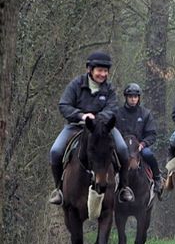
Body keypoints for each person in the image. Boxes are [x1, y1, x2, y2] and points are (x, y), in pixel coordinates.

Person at [49, 51, 134, 205]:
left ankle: (123, 188)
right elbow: (64, 105)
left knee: (122, 149)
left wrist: (99, 119)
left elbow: (113, 108)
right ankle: (59, 189)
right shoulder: (76, 85)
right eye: (99, 70)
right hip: (77, 126)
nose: (103, 74)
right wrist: (82, 116)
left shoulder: (110, 89)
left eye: (105, 71)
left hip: (103, 129)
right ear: (90, 69)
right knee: (55, 151)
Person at [115, 83, 164, 196]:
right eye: (130, 97)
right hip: (123, 146)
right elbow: (114, 131)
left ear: (138, 98)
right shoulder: (118, 113)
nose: (133, 99)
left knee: (148, 154)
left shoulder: (145, 114)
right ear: (126, 97)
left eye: (135, 97)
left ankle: (157, 179)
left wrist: (143, 144)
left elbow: (152, 134)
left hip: (139, 147)